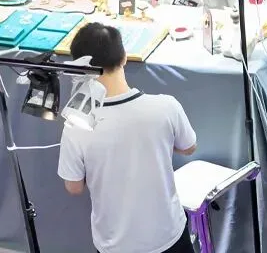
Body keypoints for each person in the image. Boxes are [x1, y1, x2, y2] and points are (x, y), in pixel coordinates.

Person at [57, 22, 197, 253]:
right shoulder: (165, 107)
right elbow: (189, 146)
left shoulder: (76, 126)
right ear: (124, 58)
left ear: (81, 69)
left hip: (116, 244)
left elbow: (74, 186)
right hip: (169, 236)